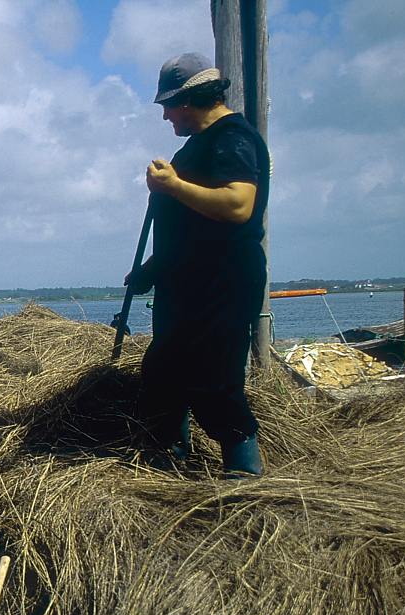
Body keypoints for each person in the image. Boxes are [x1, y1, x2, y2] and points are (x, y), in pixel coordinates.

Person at [126, 52, 270, 476]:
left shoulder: (233, 138)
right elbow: (191, 230)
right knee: (163, 371)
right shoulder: (194, 148)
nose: (167, 116)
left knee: (214, 379)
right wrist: (153, 268)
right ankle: (169, 463)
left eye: (168, 106)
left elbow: (238, 205)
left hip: (222, 281)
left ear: (188, 100)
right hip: (186, 282)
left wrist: (172, 184)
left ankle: (246, 478)